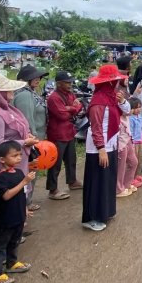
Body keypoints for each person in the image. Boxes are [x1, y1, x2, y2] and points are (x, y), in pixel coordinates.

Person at [82, 65, 129, 232]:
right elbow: (96, 128)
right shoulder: (98, 102)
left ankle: (106, 211)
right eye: (115, 81)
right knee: (98, 182)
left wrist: (122, 101)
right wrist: (101, 149)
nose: (117, 84)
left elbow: (127, 111)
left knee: (107, 181)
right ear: (108, 83)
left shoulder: (112, 98)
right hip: (99, 147)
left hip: (111, 143)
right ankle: (93, 217)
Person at [0, 140, 34, 283]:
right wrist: (24, 182)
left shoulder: (19, 172)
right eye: (14, 155)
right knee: (0, 245)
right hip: (5, 218)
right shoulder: (0, 177)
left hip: (18, 215)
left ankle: (12, 262)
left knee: (15, 241)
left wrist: (25, 210)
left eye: (19, 155)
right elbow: (6, 196)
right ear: (2, 160)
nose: (18, 158)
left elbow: (22, 194)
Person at [0, 74, 38, 174]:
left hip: (15, 165)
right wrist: (25, 142)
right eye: (9, 89)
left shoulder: (5, 109)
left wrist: (26, 135)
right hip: (2, 170)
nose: (12, 91)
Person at [45, 71, 83, 200]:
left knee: (71, 159)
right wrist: (73, 108)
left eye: (70, 82)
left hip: (69, 131)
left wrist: (70, 108)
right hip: (58, 133)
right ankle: (52, 189)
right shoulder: (54, 98)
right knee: (55, 163)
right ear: (59, 83)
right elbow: (62, 115)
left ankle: (72, 181)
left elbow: (79, 106)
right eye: (67, 82)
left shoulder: (70, 94)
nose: (70, 84)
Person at [13, 64, 48, 140]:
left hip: (37, 136)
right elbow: (27, 119)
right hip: (32, 138)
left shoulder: (31, 92)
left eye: (38, 77)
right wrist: (33, 137)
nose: (38, 79)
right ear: (25, 80)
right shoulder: (25, 95)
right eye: (34, 77)